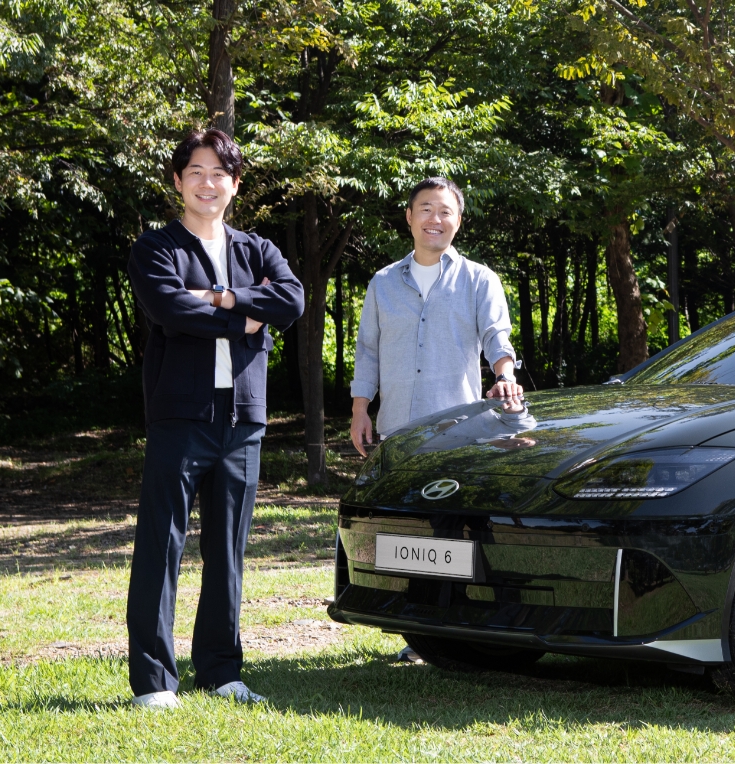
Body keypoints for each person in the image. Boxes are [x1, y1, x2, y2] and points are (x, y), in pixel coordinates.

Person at [126, 128, 304, 709]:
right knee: (163, 545)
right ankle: (154, 682)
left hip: (243, 420)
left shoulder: (256, 248)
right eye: (196, 172)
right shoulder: (157, 247)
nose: (209, 183)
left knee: (228, 549)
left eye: (219, 173)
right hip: (180, 416)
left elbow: (293, 300)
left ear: (235, 184)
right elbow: (168, 308)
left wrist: (222, 299)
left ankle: (222, 670)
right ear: (178, 181)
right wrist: (249, 311)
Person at [347, 176, 522, 457]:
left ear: (459, 221)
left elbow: (496, 336)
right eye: (425, 209)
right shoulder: (383, 282)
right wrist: (360, 411)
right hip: (395, 431)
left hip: (459, 430)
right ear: (409, 216)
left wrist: (506, 378)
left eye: (445, 212)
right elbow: (368, 350)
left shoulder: (480, 280)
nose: (434, 219)